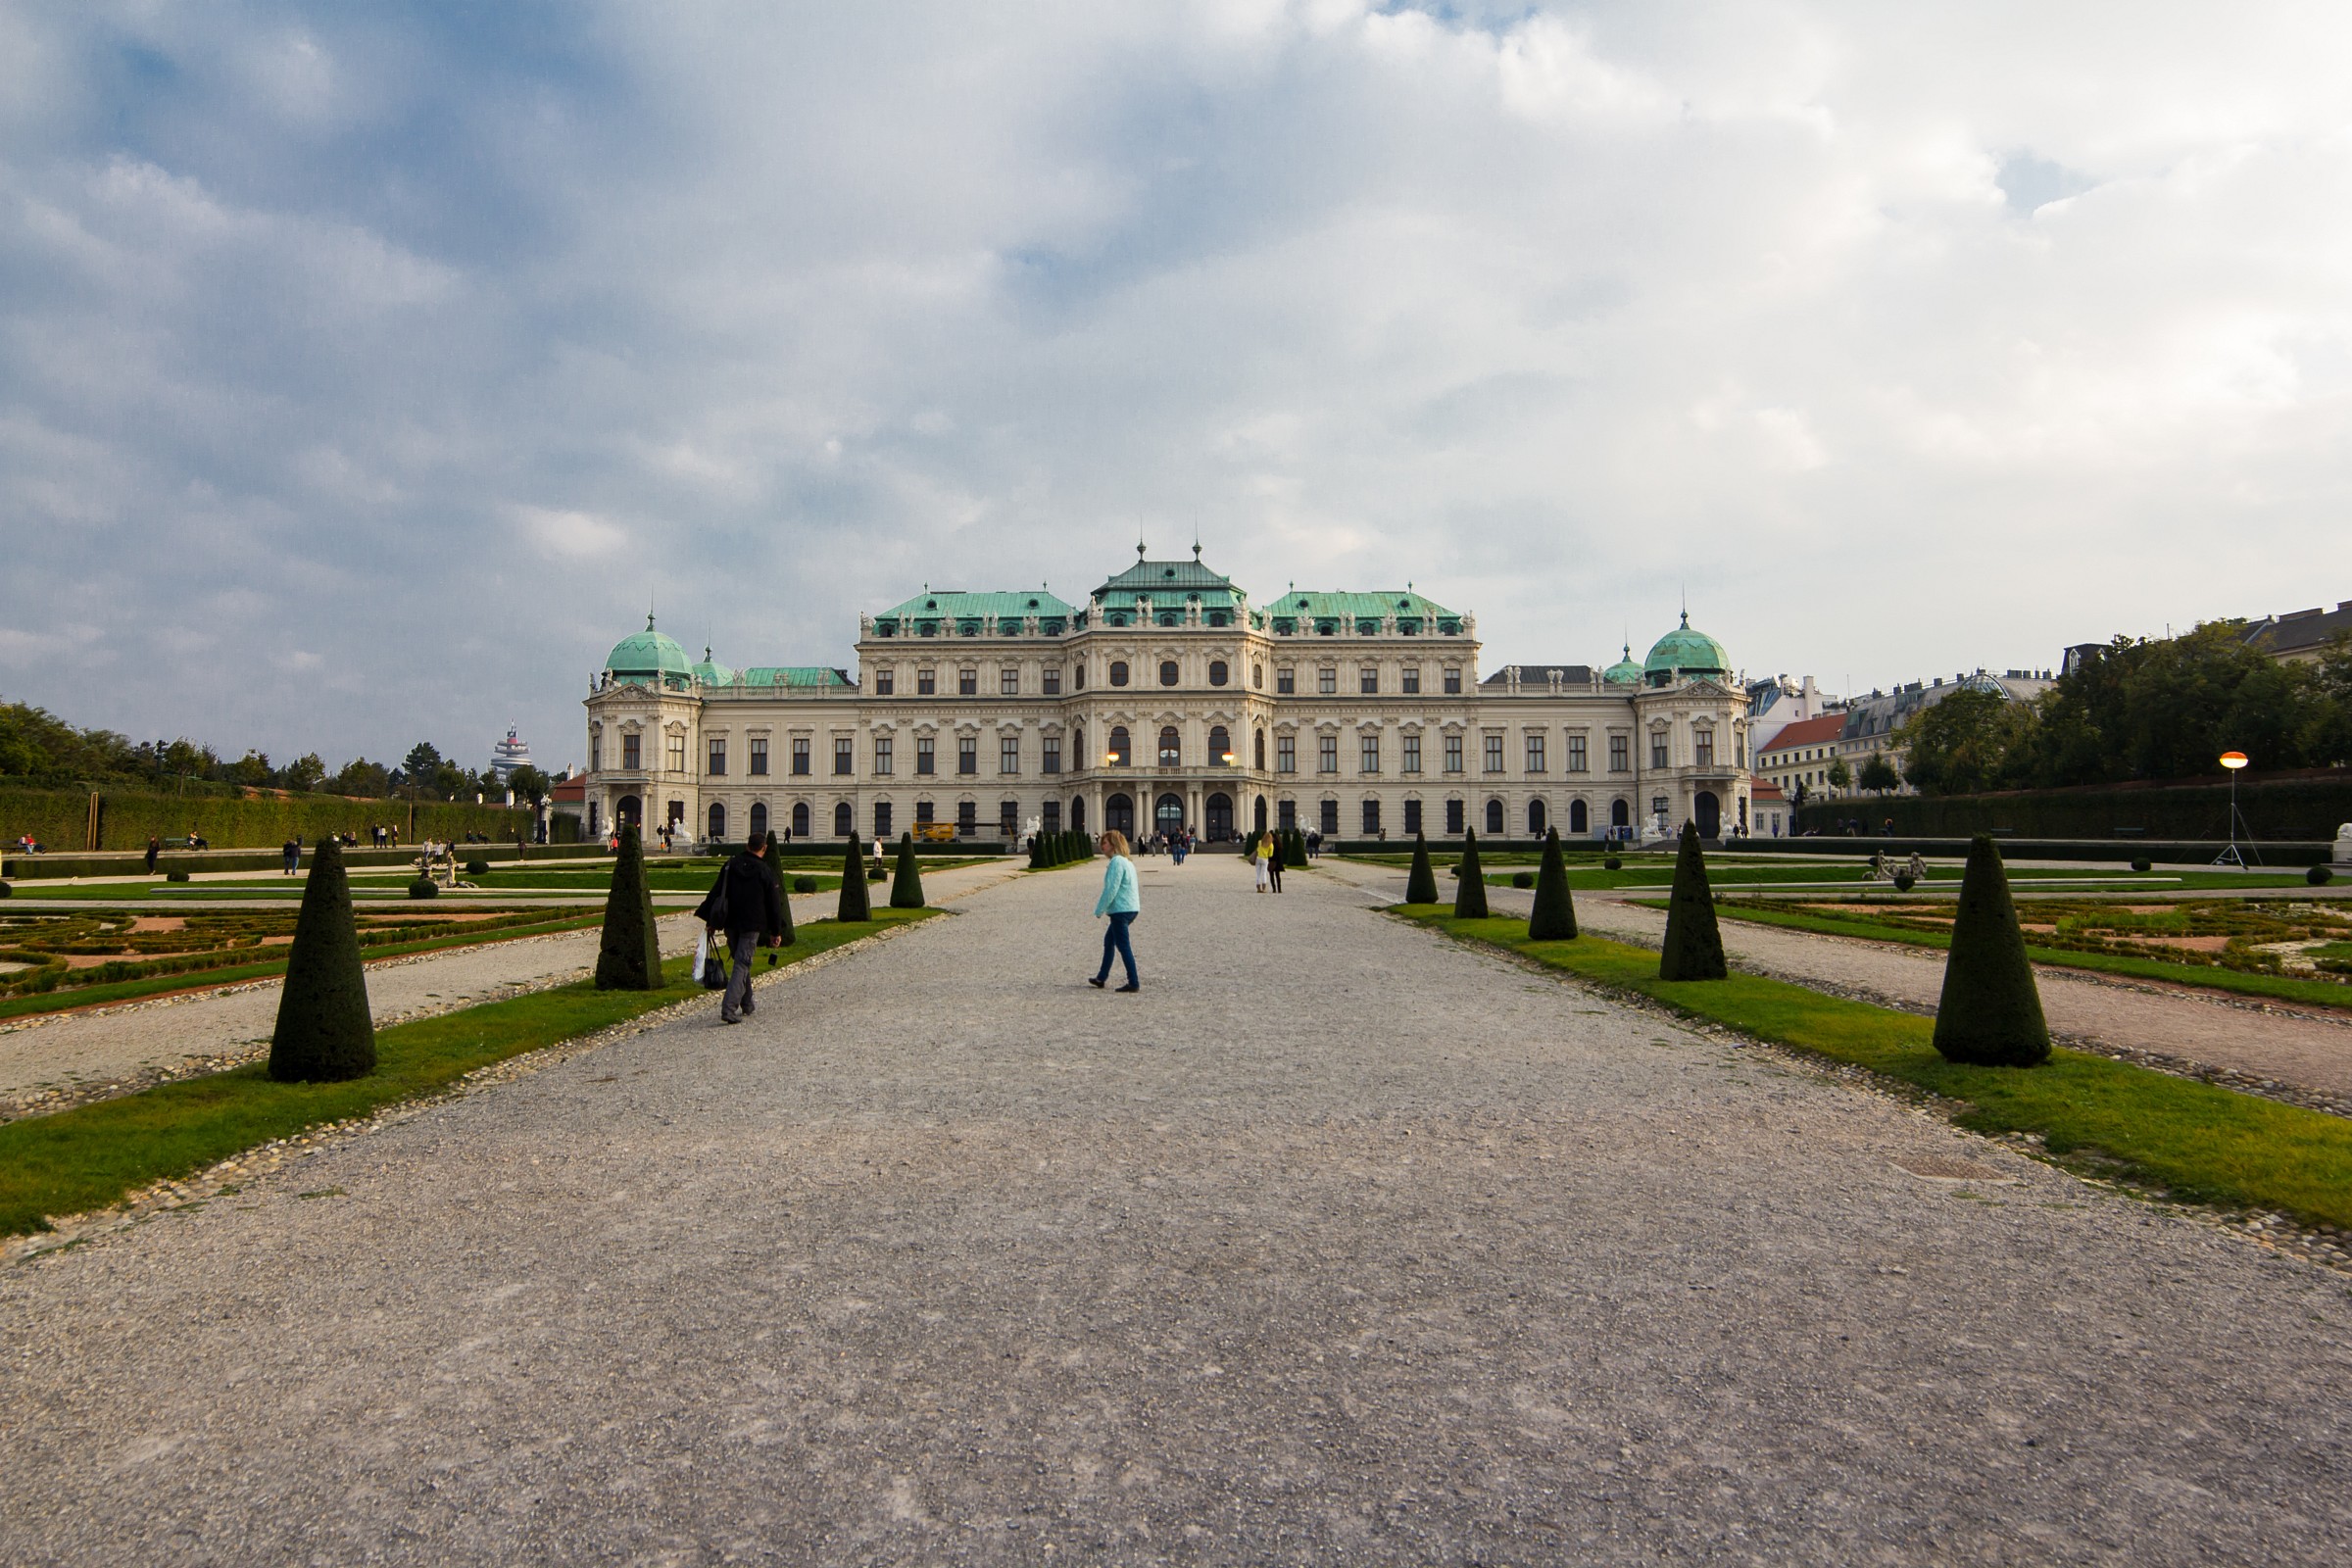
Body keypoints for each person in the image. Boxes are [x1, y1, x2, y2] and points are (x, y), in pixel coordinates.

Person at [697, 830, 786, 1025]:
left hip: (729, 921)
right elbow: (774, 904)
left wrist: (711, 920)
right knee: (742, 963)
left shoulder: (731, 865)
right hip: (751, 923)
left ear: (747, 846)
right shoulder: (764, 871)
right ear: (764, 848)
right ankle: (729, 1008)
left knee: (741, 961)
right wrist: (776, 931)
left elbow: (716, 892)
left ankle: (747, 1003)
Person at [1088, 829, 1141, 992]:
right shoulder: (1127, 861)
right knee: (1109, 941)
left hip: (1121, 910)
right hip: (1130, 908)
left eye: (1105, 843)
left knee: (1123, 946)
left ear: (1113, 845)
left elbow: (1111, 888)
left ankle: (1133, 982)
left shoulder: (1117, 862)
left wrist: (1099, 909)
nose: (1101, 846)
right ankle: (1101, 977)